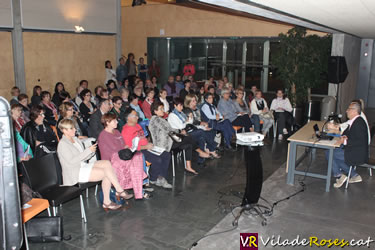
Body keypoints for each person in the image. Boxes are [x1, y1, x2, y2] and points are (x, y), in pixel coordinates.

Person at [57, 118, 133, 211]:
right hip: (75, 172)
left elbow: (84, 157)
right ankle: (114, 195)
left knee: (107, 163)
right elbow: (72, 161)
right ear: (64, 130)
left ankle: (114, 195)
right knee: (106, 173)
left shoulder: (76, 139)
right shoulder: (63, 144)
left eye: (74, 128)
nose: (75, 130)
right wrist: (88, 151)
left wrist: (91, 151)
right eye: (71, 128)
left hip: (82, 165)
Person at [98, 114, 149, 199]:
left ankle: (139, 190)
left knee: (138, 156)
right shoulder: (104, 135)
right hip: (111, 160)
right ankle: (138, 188)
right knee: (134, 162)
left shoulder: (117, 132)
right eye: (114, 121)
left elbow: (123, 145)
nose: (117, 122)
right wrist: (125, 148)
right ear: (107, 122)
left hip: (121, 155)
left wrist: (129, 147)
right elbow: (114, 150)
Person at [122, 109, 172, 188]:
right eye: (135, 116)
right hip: (138, 151)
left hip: (147, 147)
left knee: (166, 155)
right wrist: (145, 146)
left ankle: (161, 177)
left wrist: (148, 143)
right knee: (157, 160)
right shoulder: (126, 130)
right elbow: (131, 148)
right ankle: (153, 178)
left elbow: (143, 138)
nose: (138, 118)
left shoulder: (137, 125)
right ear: (129, 118)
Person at [326, 102, 368, 188]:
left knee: (331, 153)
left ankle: (340, 175)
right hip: (354, 149)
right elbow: (347, 133)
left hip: (357, 153)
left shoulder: (359, 123)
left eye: (349, 109)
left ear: (354, 111)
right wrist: (344, 137)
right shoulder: (355, 121)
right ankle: (353, 175)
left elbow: (359, 141)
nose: (346, 111)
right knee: (330, 152)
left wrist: (344, 142)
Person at [150, 101, 199, 175]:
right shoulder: (156, 119)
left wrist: (179, 131)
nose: (163, 110)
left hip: (170, 140)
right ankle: (200, 151)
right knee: (188, 138)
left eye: (163, 108)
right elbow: (169, 130)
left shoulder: (160, 119)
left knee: (188, 144)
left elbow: (170, 129)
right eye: (160, 109)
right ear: (155, 111)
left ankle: (188, 167)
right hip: (164, 144)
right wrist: (179, 132)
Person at [168, 98, 212, 164]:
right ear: (175, 106)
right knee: (201, 132)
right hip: (179, 136)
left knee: (201, 138)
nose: (182, 107)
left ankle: (201, 160)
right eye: (180, 105)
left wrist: (190, 118)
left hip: (186, 131)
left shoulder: (181, 113)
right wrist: (187, 121)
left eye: (182, 105)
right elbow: (181, 126)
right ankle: (211, 148)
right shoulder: (172, 115)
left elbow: (190, 123)